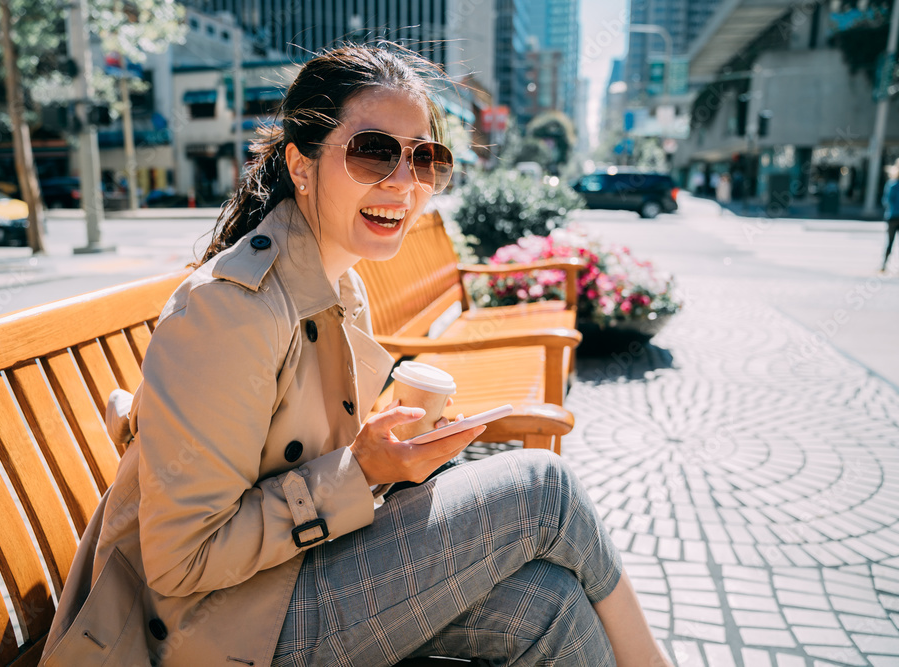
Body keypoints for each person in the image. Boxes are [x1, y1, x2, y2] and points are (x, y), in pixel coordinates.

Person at [39, 43, 673, 667]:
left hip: (288, 579)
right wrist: (360, 471)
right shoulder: (227, 311)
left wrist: (387, 458)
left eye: (425, 158)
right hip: (213, 628)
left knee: (549, 605)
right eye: (373, 152)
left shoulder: (339, 284)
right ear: (303, 165)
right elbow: (184, 561)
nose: (403, 182)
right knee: (545, 487)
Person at [881, 160, 899, 272]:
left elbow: (886, 201)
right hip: (893, 215)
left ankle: (884, 265)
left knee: (890, 241)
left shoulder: (892, 184)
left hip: (892, 216)